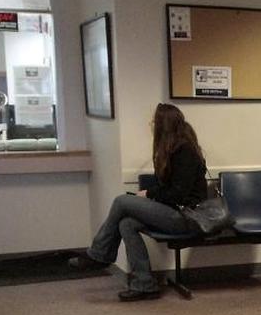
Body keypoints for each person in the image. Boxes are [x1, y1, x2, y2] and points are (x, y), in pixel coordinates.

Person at [71, 103, 207, 301]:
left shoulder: (184, 151)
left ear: (164, 125)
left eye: (154, 121)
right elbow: (170, 190)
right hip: (173, 212)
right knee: (126, 224)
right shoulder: (172, 149)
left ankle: (99, 254)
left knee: (121, 201)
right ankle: (144, 284)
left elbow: (178, 194)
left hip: (188, 217)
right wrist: (151, 194)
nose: (151, 125)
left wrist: (149, 193)